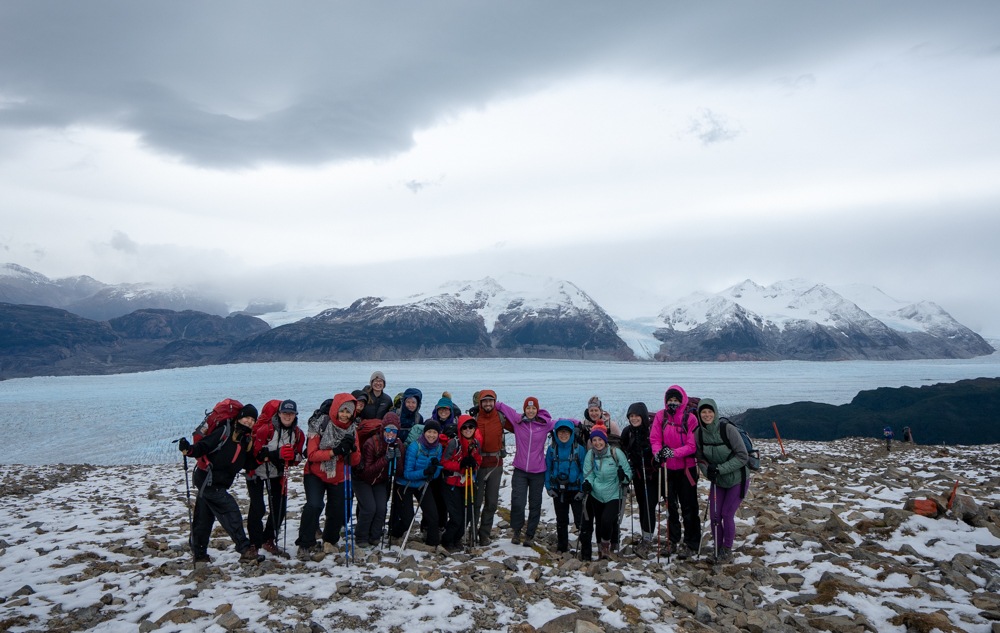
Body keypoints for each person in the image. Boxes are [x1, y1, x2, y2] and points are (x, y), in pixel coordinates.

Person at [177, 403, 263, 564]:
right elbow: (204, 446)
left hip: (218, 483)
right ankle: (245, 549)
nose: (249, 422)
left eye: (253, 419)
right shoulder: (224, 431)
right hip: (207, 481)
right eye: (247, 417)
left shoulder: (245, 440)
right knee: (231, 510)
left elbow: (247, 464)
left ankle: (199, 554)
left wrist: (261, 457)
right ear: (239, 417)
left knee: (204, 517)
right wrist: (189, 450)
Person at [295, 393, 361, 560]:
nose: (345, 415)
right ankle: (305, 542)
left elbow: (355, 460)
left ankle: (330, 540)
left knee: (338, 510)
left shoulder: (352, 429)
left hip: (339, 476)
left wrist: (351, 450)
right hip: (315, 473)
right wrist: (335, 451)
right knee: (314, 505)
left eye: (349, 412)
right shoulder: (320, 425)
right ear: (335, 410)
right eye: (342, 411)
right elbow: (312, 455)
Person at [249, 399, 305, 558]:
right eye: (285, 413)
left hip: (278, 472)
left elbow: (298, 456)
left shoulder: (298, 434)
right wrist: (276, 454)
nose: (288, 416)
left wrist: (293, 457)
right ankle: (253, 544)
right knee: (258, 507)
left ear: (295, 415)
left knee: (279, 506)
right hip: (256, 472)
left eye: (291, 413)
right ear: (279, 413)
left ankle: (269, 539)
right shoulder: (265, 430)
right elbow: (255, 455)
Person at [649, 385, 701, 559]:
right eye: (670, 400)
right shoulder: (660, 416)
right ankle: (673, 540)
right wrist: (659, 453)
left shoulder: (690, 419)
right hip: (667, 469)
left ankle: (691, 543)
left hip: (686, 469)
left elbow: (692, 445)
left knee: (689, 506)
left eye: (676, 400)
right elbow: (655, 438)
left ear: (682, 401)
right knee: (670, 506)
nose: (672, 403)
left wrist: (673, 452)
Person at [695, 398, 749, 564]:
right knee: (715, 516)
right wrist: (708, 472)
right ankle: (717, 551)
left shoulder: (728, 429)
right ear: (699, 414)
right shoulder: (699, 433)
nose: (707, 415)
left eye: (710, 411)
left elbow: (742, 456)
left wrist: (719, 469)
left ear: (715, 412)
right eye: (703, 412)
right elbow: (700, 457)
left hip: (737, 479)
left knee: (727, 514)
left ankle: (727, 550)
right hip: (717, 481)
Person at [472, 389, 520, 545]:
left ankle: (484, 534)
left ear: (495, 402)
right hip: (477, 465)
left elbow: (519, 428)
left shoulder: (500, 418)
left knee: (491, 503)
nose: (487, 404)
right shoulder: (474, 418)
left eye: (490, 401)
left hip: (495, 465)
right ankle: (472, 532)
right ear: (480, 403)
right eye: (484, 401)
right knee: (476, 502)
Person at [505, 396, 555, 547]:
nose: (531, 411)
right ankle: (516, 531)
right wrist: (494, 404)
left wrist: (578, 423)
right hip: (520, 470)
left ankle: (530, 535)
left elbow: (561, 422)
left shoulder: (545, 424)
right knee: (518, 502)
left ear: (537, 409)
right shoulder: (518, 421)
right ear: (524, 409)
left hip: (538, 472)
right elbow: (504, 408)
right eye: (528, 408)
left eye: (533, 408)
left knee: (535, 504)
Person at [580, 426, 632, 560]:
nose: (597, 443)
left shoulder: (616, 453)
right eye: (594, 440)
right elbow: (588, 474)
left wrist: (623, 477)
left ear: (605, 440)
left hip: (614, 493)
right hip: (596, 493)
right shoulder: (590, 455)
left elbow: (627, 473)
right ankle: (601, 549)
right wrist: (587, 484)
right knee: (599, 521)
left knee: (606, 519)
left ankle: (605, 546)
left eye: (600, 440)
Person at [392, 420, 444, 549]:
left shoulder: (438, 447)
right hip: (405, 485)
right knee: (407, 520)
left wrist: (434, 470)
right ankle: (394, 533)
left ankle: (432, 544)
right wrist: (425, 471)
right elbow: (407, 473)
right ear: (424, 432)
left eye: (435, 432)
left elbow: (436, 474)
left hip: (422, 484)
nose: (431, 435)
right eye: (429, 432)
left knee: (433, 516)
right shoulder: (414, 447)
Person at [619, 401, 658, 558]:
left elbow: (661, 448)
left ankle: (647, 540)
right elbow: (622, 451)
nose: (634, 418)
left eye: (637, 415)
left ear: (643, 416)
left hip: (653, 476)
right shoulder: (627, 432)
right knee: (642, 505)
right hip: (638, 476)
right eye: (631, 416)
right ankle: (645, 536)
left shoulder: (652, 431)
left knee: (649, 506)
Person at [439, 414, 483, 551]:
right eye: (464, 427)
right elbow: (444, 462)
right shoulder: (454, 443)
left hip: (467, 483)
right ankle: (447, 540)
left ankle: (457, 539)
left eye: (471, 427)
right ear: (460, 428)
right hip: (451, 484)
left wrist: (474, 464)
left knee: (468, 515)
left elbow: (478, 459)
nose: (468, 429)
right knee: (456, 516)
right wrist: (460, 466)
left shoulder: (476, 443)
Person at [545, 419, 586, 554]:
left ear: (571, 433)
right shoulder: (551, 450)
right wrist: (548, 487)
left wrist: (581, 489)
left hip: (575, 490)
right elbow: (548, 469)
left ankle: (585, 549)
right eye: (560, 432)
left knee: (580, 520)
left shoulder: (579, 449)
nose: (563, 435)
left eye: (566, 432)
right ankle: (562, 547)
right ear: (556, 433)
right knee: (561, 520)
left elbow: (584, 470)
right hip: (558, 490)